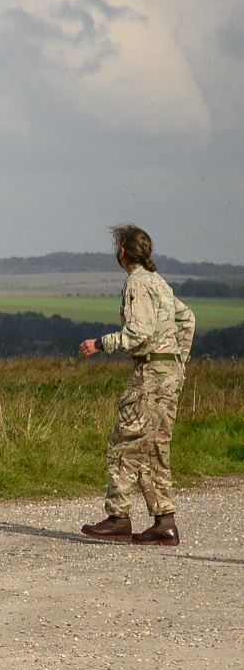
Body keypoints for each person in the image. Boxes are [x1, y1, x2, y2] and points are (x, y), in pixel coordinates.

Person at [79, 224, 195, 546]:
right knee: (155, 448)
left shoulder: (137, 283)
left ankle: (118, 519)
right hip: (170, 374)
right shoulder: (160, 283)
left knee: (124, 443)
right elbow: (188, 319)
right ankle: (164, 523)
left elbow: (138, 334)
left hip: (151, 374)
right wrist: (180, 357)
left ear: (122, 253)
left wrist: (101, 343)